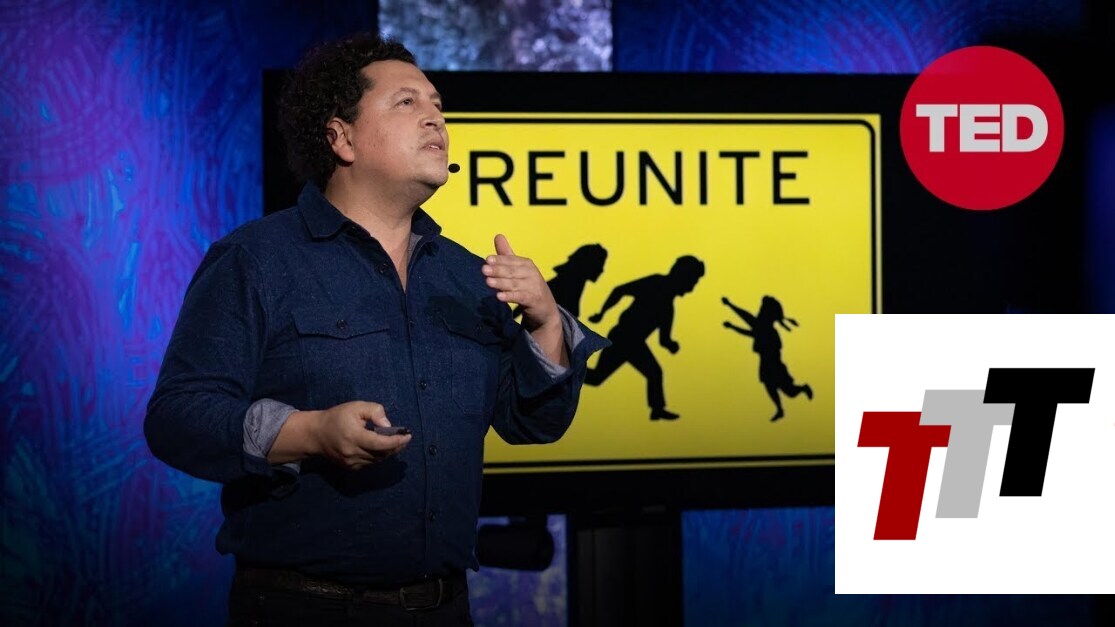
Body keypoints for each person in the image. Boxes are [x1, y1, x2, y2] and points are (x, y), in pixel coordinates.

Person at [144, 32, 606, 626]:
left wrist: (544, 322)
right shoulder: (256, 259)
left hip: (445, 609)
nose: (436, 118)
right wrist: (309, 433)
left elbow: (533, 424)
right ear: (342, 138)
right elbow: (177, 418)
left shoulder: (470, 276)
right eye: (407, 103)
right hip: (303, 610)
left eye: (437, 104)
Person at [584, 256, 704, 421]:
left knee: (599, 377)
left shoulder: (668, 308)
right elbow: (620, 290)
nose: (692, 286)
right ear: (682, 276)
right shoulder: (655, 283)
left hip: (634, 343)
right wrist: (602, 313)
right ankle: (657, 409)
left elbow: (664, 340)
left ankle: (657, 409)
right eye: (693, 281)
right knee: (600, 377)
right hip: (623, 337)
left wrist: (671, 345)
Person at [721, 295, 812, 422]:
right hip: (765, 362)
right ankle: (780, 409)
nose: (759, 312)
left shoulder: (767, 330)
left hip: (774, 363)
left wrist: (731, 310)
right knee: (769, 385)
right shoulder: (762, 327)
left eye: (761, 310)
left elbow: (747, 320)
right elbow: (749, 323)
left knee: (789, 392)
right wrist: (731, 312)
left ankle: (803, 388)